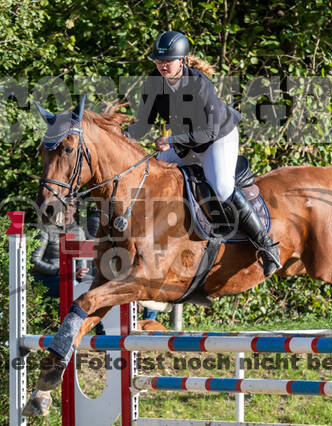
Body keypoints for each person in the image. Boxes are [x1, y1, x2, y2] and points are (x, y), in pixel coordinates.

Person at [124, 30, 281, 276]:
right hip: (184, 143)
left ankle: (266, 244)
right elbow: (143, 124)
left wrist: (173, 141)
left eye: (168, 61)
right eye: (158, 61)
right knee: (152, 176)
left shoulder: (199, 83)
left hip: (217, 138)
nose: (162, 65)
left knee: (222, 188)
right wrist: (120, 138)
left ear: (182, 60)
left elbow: (208, 132)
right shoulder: (153, 83)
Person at [31, 204, 105, 334]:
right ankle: (64, 330)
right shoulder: (45, 228)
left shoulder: (79, 231)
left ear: (75, 209)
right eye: (64, 205)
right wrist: (60, 271)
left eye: (71, 205)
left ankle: (102, 332)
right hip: (45, 278)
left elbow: (82, 262)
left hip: (72, 276)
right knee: (71, 285)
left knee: (96, 285)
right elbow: (34, 261)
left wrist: (82, 271)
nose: (67, 209)